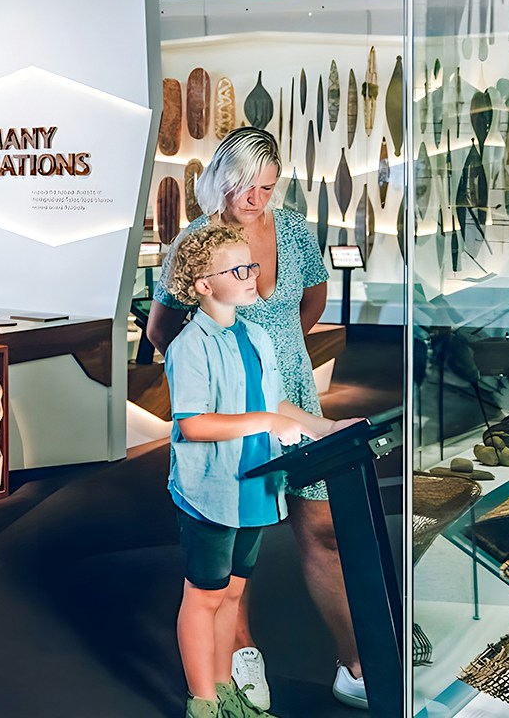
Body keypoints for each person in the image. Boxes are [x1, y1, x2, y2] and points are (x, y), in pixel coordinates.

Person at [146, 127, 366, 710]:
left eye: (267, 187)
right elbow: (163, 330)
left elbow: (311, 301)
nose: (256, 198)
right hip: (232, 415)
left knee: (322, 526)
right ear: (221, 179)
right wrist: (213, 375)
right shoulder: (197, 241)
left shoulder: (291, 229)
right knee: (234, 531)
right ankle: (235, 661)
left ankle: (356, 659)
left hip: (289, 394)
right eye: (245, 185)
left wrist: (278, 351)